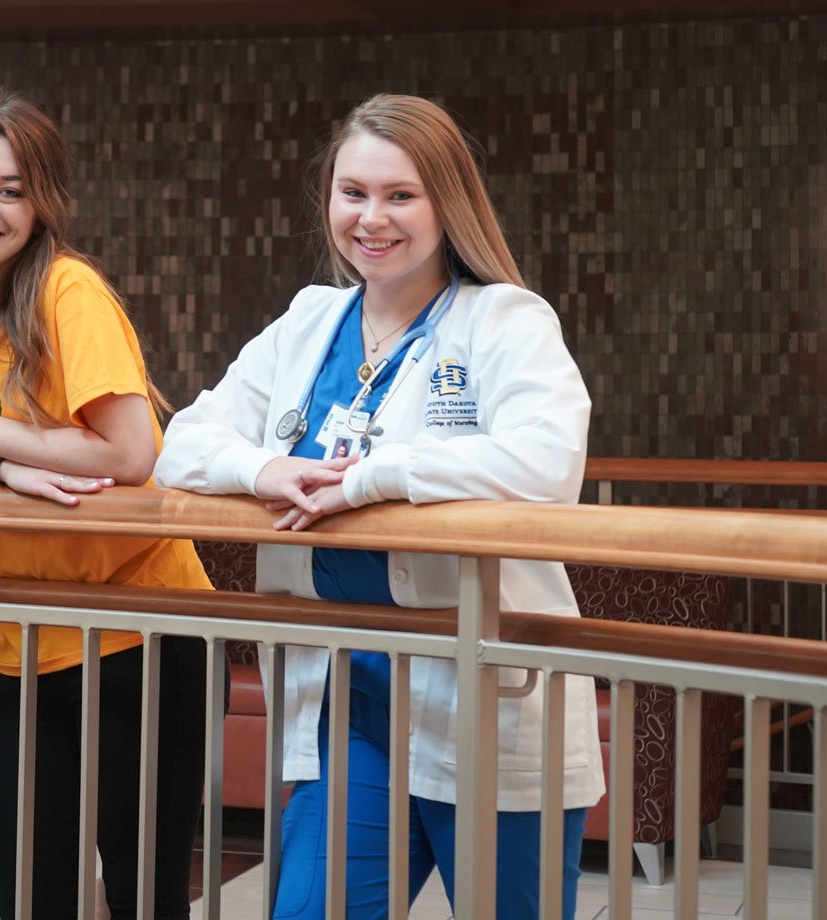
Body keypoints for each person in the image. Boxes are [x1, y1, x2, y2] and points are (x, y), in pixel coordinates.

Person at [154, 93, 604, 919]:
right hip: (352, 707)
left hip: (485, 697)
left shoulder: (502, 319)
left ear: (448, 204)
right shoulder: (308, 321)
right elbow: (181, 444)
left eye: (401, 196)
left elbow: (546, 466)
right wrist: (264, 469)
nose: (372, 218)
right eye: (352, 193)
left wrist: (373, 478)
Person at [0, 90, 211, 920]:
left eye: (10, 189)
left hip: (143, 633)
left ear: (43, 203)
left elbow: (130, 453)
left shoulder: (69, 292)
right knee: (35, 893)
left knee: (142, 896)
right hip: (29, 637)